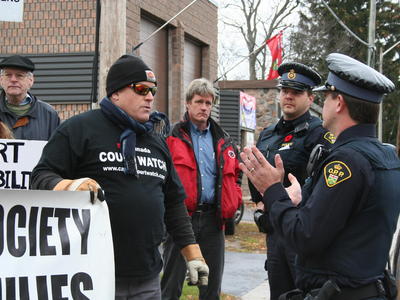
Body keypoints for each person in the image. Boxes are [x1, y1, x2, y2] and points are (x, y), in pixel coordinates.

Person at [31, 54, 209, 300]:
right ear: (115, 93)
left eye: (152, 91)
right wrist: (68, 185)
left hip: (146, 278)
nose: (149, 96)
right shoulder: (80, 128)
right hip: (91, 277)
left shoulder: (156, 142)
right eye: (141, 89)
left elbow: (173, 203)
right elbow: (40, 176)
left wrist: (193, 254)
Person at [241, 53, 399, 300]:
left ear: (339, 103)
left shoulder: (347, 161)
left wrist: (273, 189)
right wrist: (298, 199)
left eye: (326, 96)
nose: (322, 104)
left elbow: (305, 236)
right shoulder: (386, 156)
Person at [250, 62, 335, 300]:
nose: (288, 96)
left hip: (302, 234)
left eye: (296, 92)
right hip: (275, 232)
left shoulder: (321, 134)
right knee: (279, 294)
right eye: (285, 90)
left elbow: (325, 186)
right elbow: (256, 176)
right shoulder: (268, 135)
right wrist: (259, 207)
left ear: (310, 98)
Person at [161, 78, 242, 300]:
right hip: (180, 220)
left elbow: (236, 174)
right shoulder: (171, 138)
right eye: (199, 102)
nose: (204, 107)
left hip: (213, 221)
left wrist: (233, 198)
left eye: (208, 103)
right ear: (188, 103)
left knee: (211, 288)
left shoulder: (223, 140)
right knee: (171, 284)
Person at [0, 55, 60, 140]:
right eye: (8, 75)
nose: (13, 79)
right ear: (1, 80)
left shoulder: (49, 114)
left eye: (19, 75)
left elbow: (56, 149)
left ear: (31, 81)